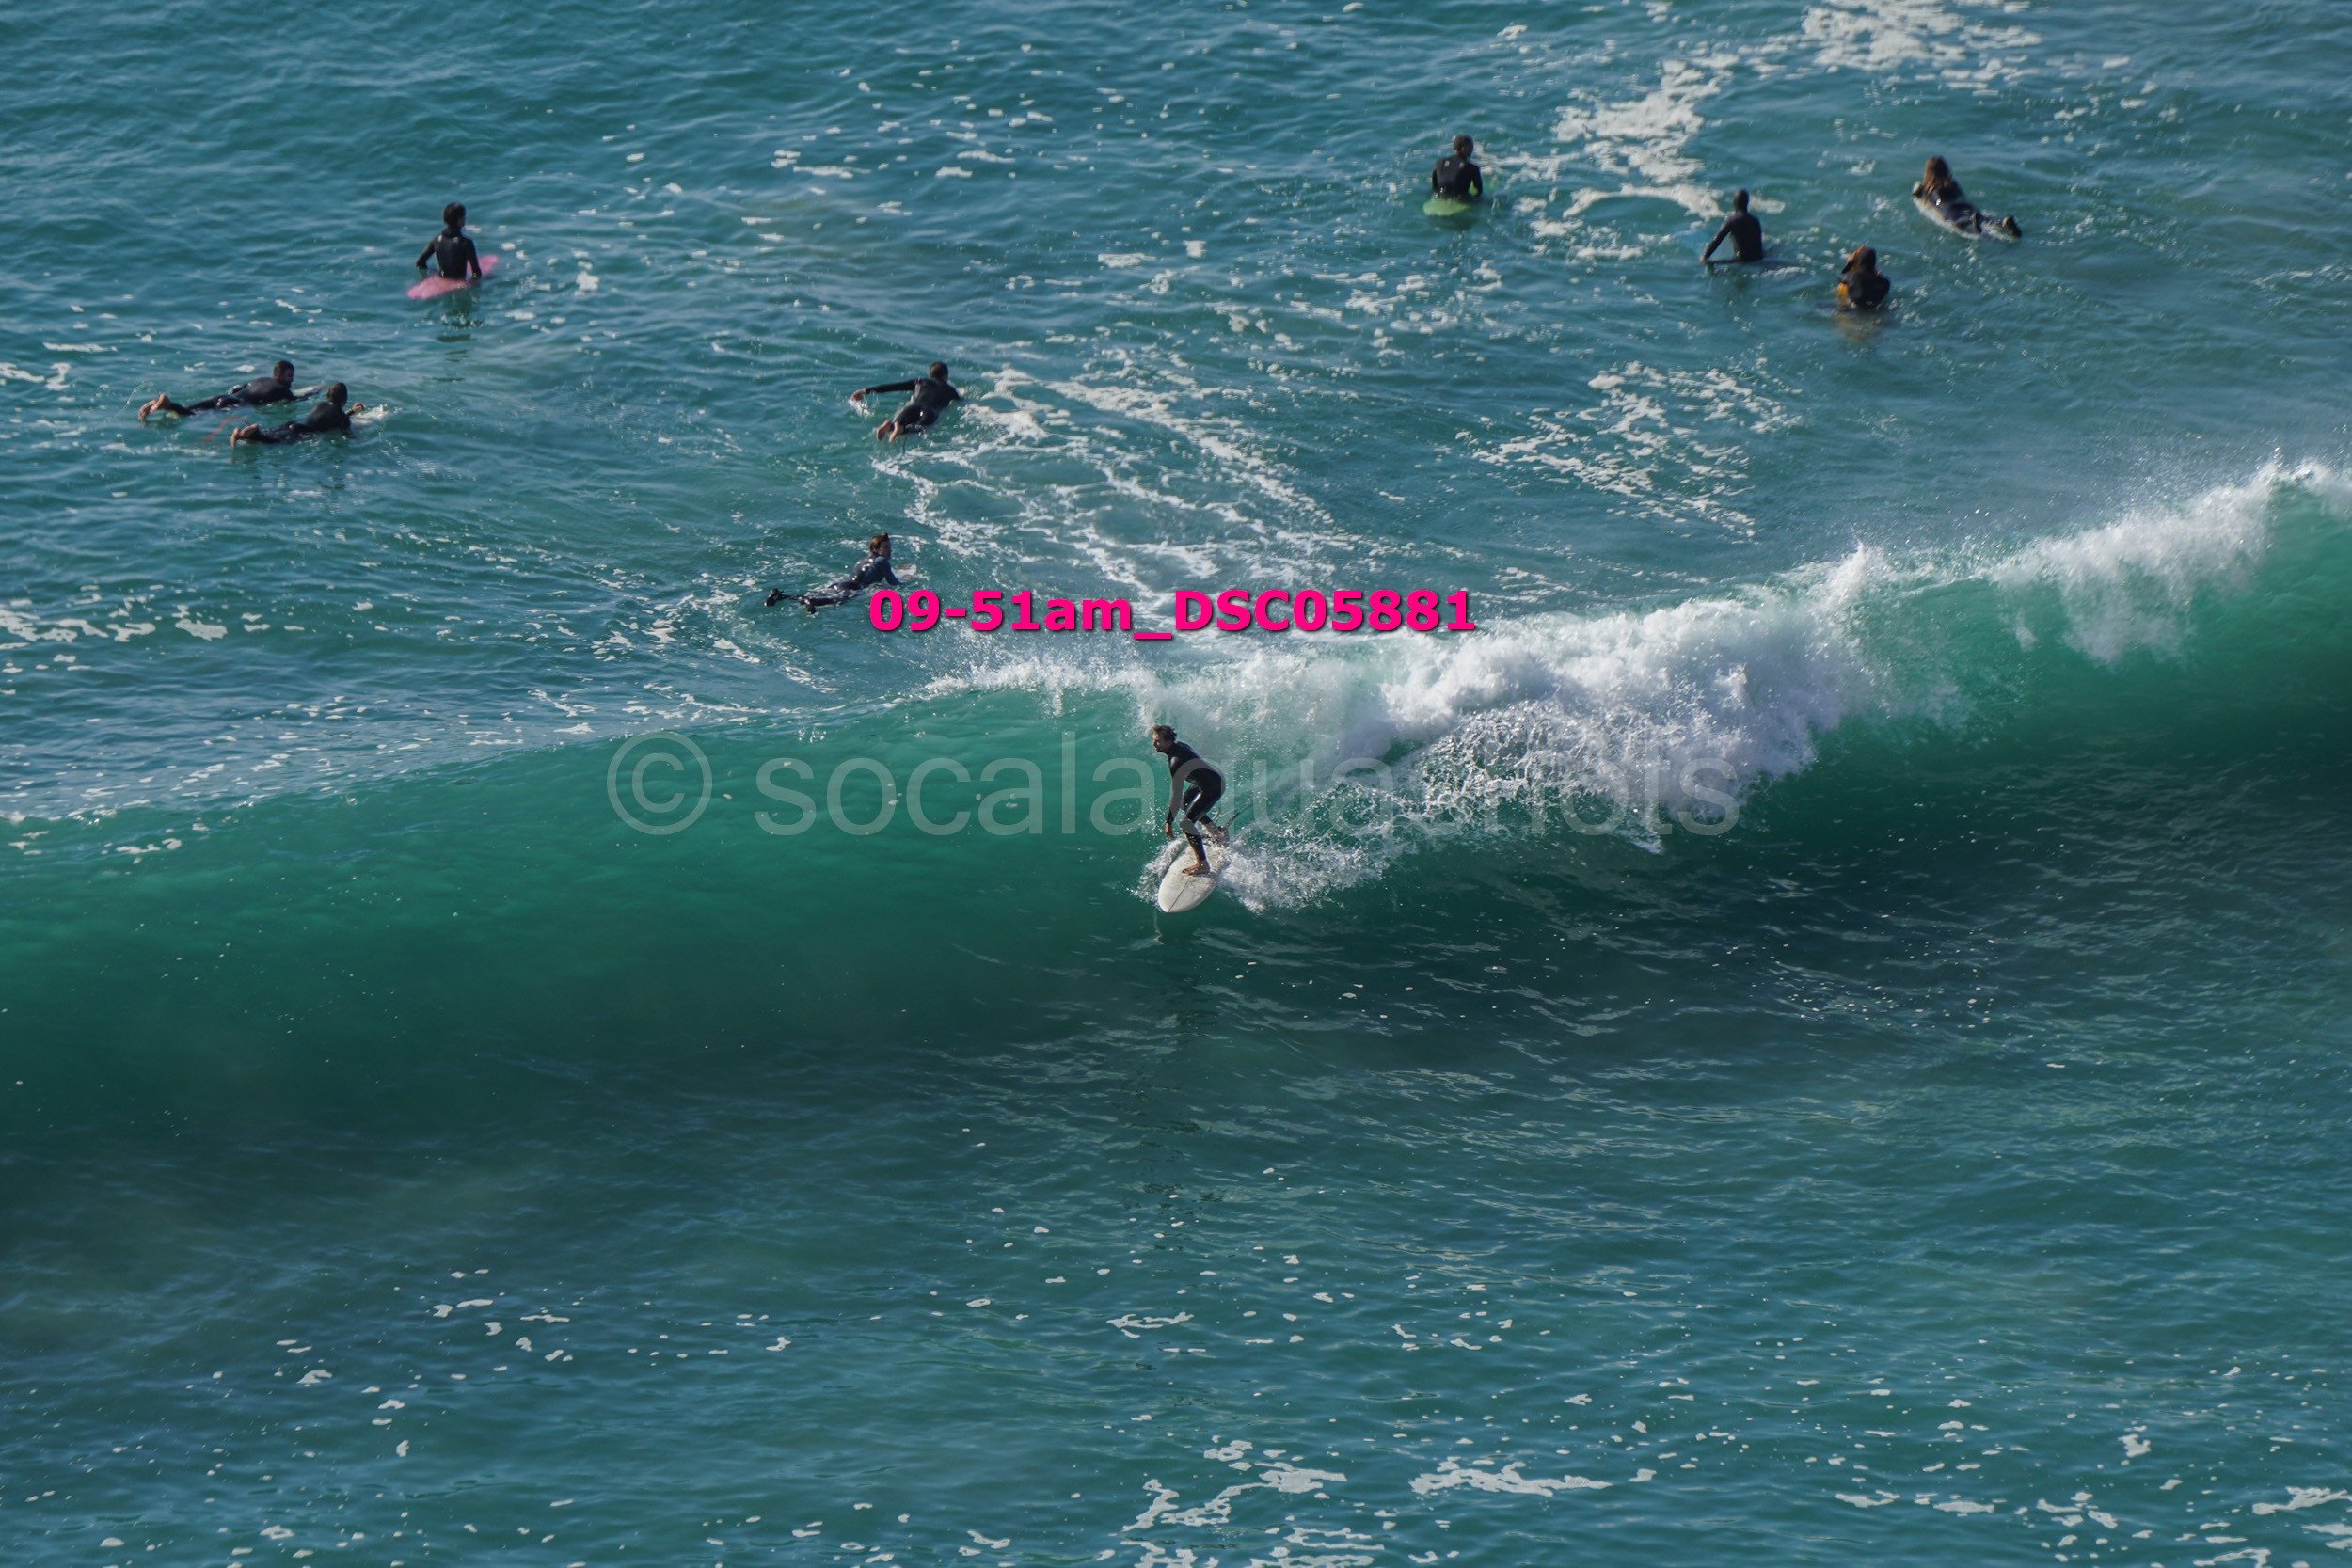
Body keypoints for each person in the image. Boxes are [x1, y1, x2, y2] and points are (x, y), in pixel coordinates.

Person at [1152, 724, 1226, 877]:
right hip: (1207, 781)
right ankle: (1216, 832)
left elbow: (1176, 794)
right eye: (1154, 740)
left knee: (1185, 823)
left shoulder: (1176, 762)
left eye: (1158, 741)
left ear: (1168, 742)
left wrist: (1169, 821)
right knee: (1183, 804)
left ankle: (1203, 864)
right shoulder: (1179, 747)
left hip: (1213, 787)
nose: (1154, 744)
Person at [766, 533, 900, 611]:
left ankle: (781, 595)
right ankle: (809, 600)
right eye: (887, 548)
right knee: (835, 601)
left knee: (821, 595)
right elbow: (894, 583)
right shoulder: (882, 561)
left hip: (841, 584)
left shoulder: (863, 560)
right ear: (876, 550)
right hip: (852, 589)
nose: (890, 550)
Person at [139, 360, 299, 421]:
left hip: (226, 396)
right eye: (288, 376)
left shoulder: (260, 380)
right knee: (191, 416)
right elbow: (295, 400)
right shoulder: (282, 390)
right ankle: (166, 404)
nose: (291, 380)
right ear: (278, 375)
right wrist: (313, 393)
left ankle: (166, 404)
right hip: (235, 404)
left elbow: (237, 388)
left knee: (190, 410)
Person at [1914, 157, 2021, 238]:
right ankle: (2002, 222)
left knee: (1959, 222)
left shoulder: (1928, 188)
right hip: (1965, 205)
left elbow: (1916, 195)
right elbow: (1962, 195)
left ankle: (1973, 222)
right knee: (1985, 219)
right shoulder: (1952, 183)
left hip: (1950, 209)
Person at [851, 363, 961, 442]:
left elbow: (893, 387)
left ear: (930, 374)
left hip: (911, 408)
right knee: (921, 428)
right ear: (945, 376)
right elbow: (962, 404)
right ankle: (900, 429)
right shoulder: (951, 390)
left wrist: (866, 391)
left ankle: (891, 426)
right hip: (929, 412)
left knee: (900, 422)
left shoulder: (920, 382)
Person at [229, 383, 363, 447]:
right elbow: (346, 433)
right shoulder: (341, 415)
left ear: (329, 396)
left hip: (294, 424)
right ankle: (254, 433)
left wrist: (351, 411)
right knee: (276, 442)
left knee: (270, 434)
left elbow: (333, 415)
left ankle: (242, 434)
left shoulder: (321, 404)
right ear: (344, 400)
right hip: (303, 432)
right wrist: (357, 442)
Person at [415, 202, 483, 283]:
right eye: (464, 215)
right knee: (492, 277)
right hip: (459, 282)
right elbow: (476, 273)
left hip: (442, 278)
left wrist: (434, 273)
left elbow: (420, 263)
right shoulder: (466, 243)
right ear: (460, 220)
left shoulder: (437, 240)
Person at [1702, 189, 1766, 264]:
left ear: (1734, 203)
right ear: (1747, 203)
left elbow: (1717, 239)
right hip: (1759, 258)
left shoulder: (1732, 220)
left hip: (1742, 260)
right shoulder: (1755, 220)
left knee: (1714, 263)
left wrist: (1705, 257)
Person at [1431, 134, 1483, 202]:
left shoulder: (1440, 162)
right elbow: (1479, 191)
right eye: (1471, 147)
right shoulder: (1472, 168)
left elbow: (1434, 185)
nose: (1472, 149)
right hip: (1460, 199)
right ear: (1463, 148)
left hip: (1440, 196)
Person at [1837, 246, 1891, 310]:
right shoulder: (1885, 282)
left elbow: (1841, 276)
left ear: (1860, 261)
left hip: (1854, 308)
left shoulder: (1852, 276)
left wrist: (1849, 264)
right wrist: (1879, 275)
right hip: (1876, 309)